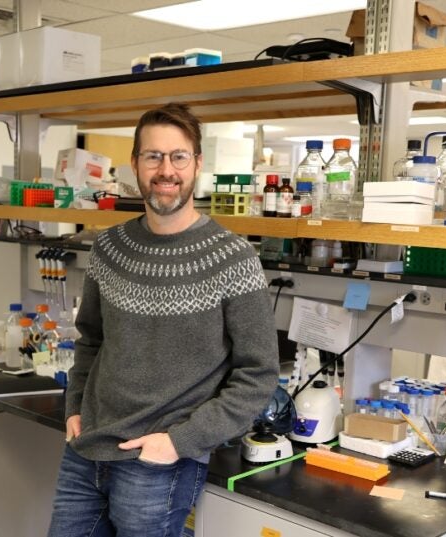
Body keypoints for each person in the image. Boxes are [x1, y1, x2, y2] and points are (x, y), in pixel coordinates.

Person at [47, 103, 280, 536]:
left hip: (157, 461)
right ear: (135, 163)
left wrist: (180, 442)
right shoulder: (109, 247)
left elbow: (259, 375)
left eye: (178, 156)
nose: (166, 170)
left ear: (197, 165)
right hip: (87, 449)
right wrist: (75, 404)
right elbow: (90, 339)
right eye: (153, 156)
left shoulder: (233, 258)